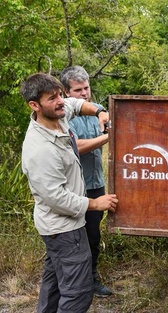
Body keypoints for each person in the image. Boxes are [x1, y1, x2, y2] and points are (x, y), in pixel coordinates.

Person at [20, 72, 119, 313]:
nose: (60, 101)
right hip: (63, 229)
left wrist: (99, 112)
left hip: (58, 229)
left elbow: (74, 103)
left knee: (54, 285)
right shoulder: (40, 149)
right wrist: (95, 204)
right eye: (51, 98)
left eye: (59, 95)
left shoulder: (57, 118)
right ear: (34, 105)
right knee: (78, 293)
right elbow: (55, 198)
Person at [60, 66, 112, 297]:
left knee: (93, 233)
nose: (84, 93)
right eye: (78, 89)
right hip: (74, 186)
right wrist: (107, 137)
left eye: (86, 88)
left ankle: (90, 279)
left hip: (95, 182)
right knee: (72, 236)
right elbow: (77, 147)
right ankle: (71, 282)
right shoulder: (64, 115)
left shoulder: (96, 111)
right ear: (66, 92)